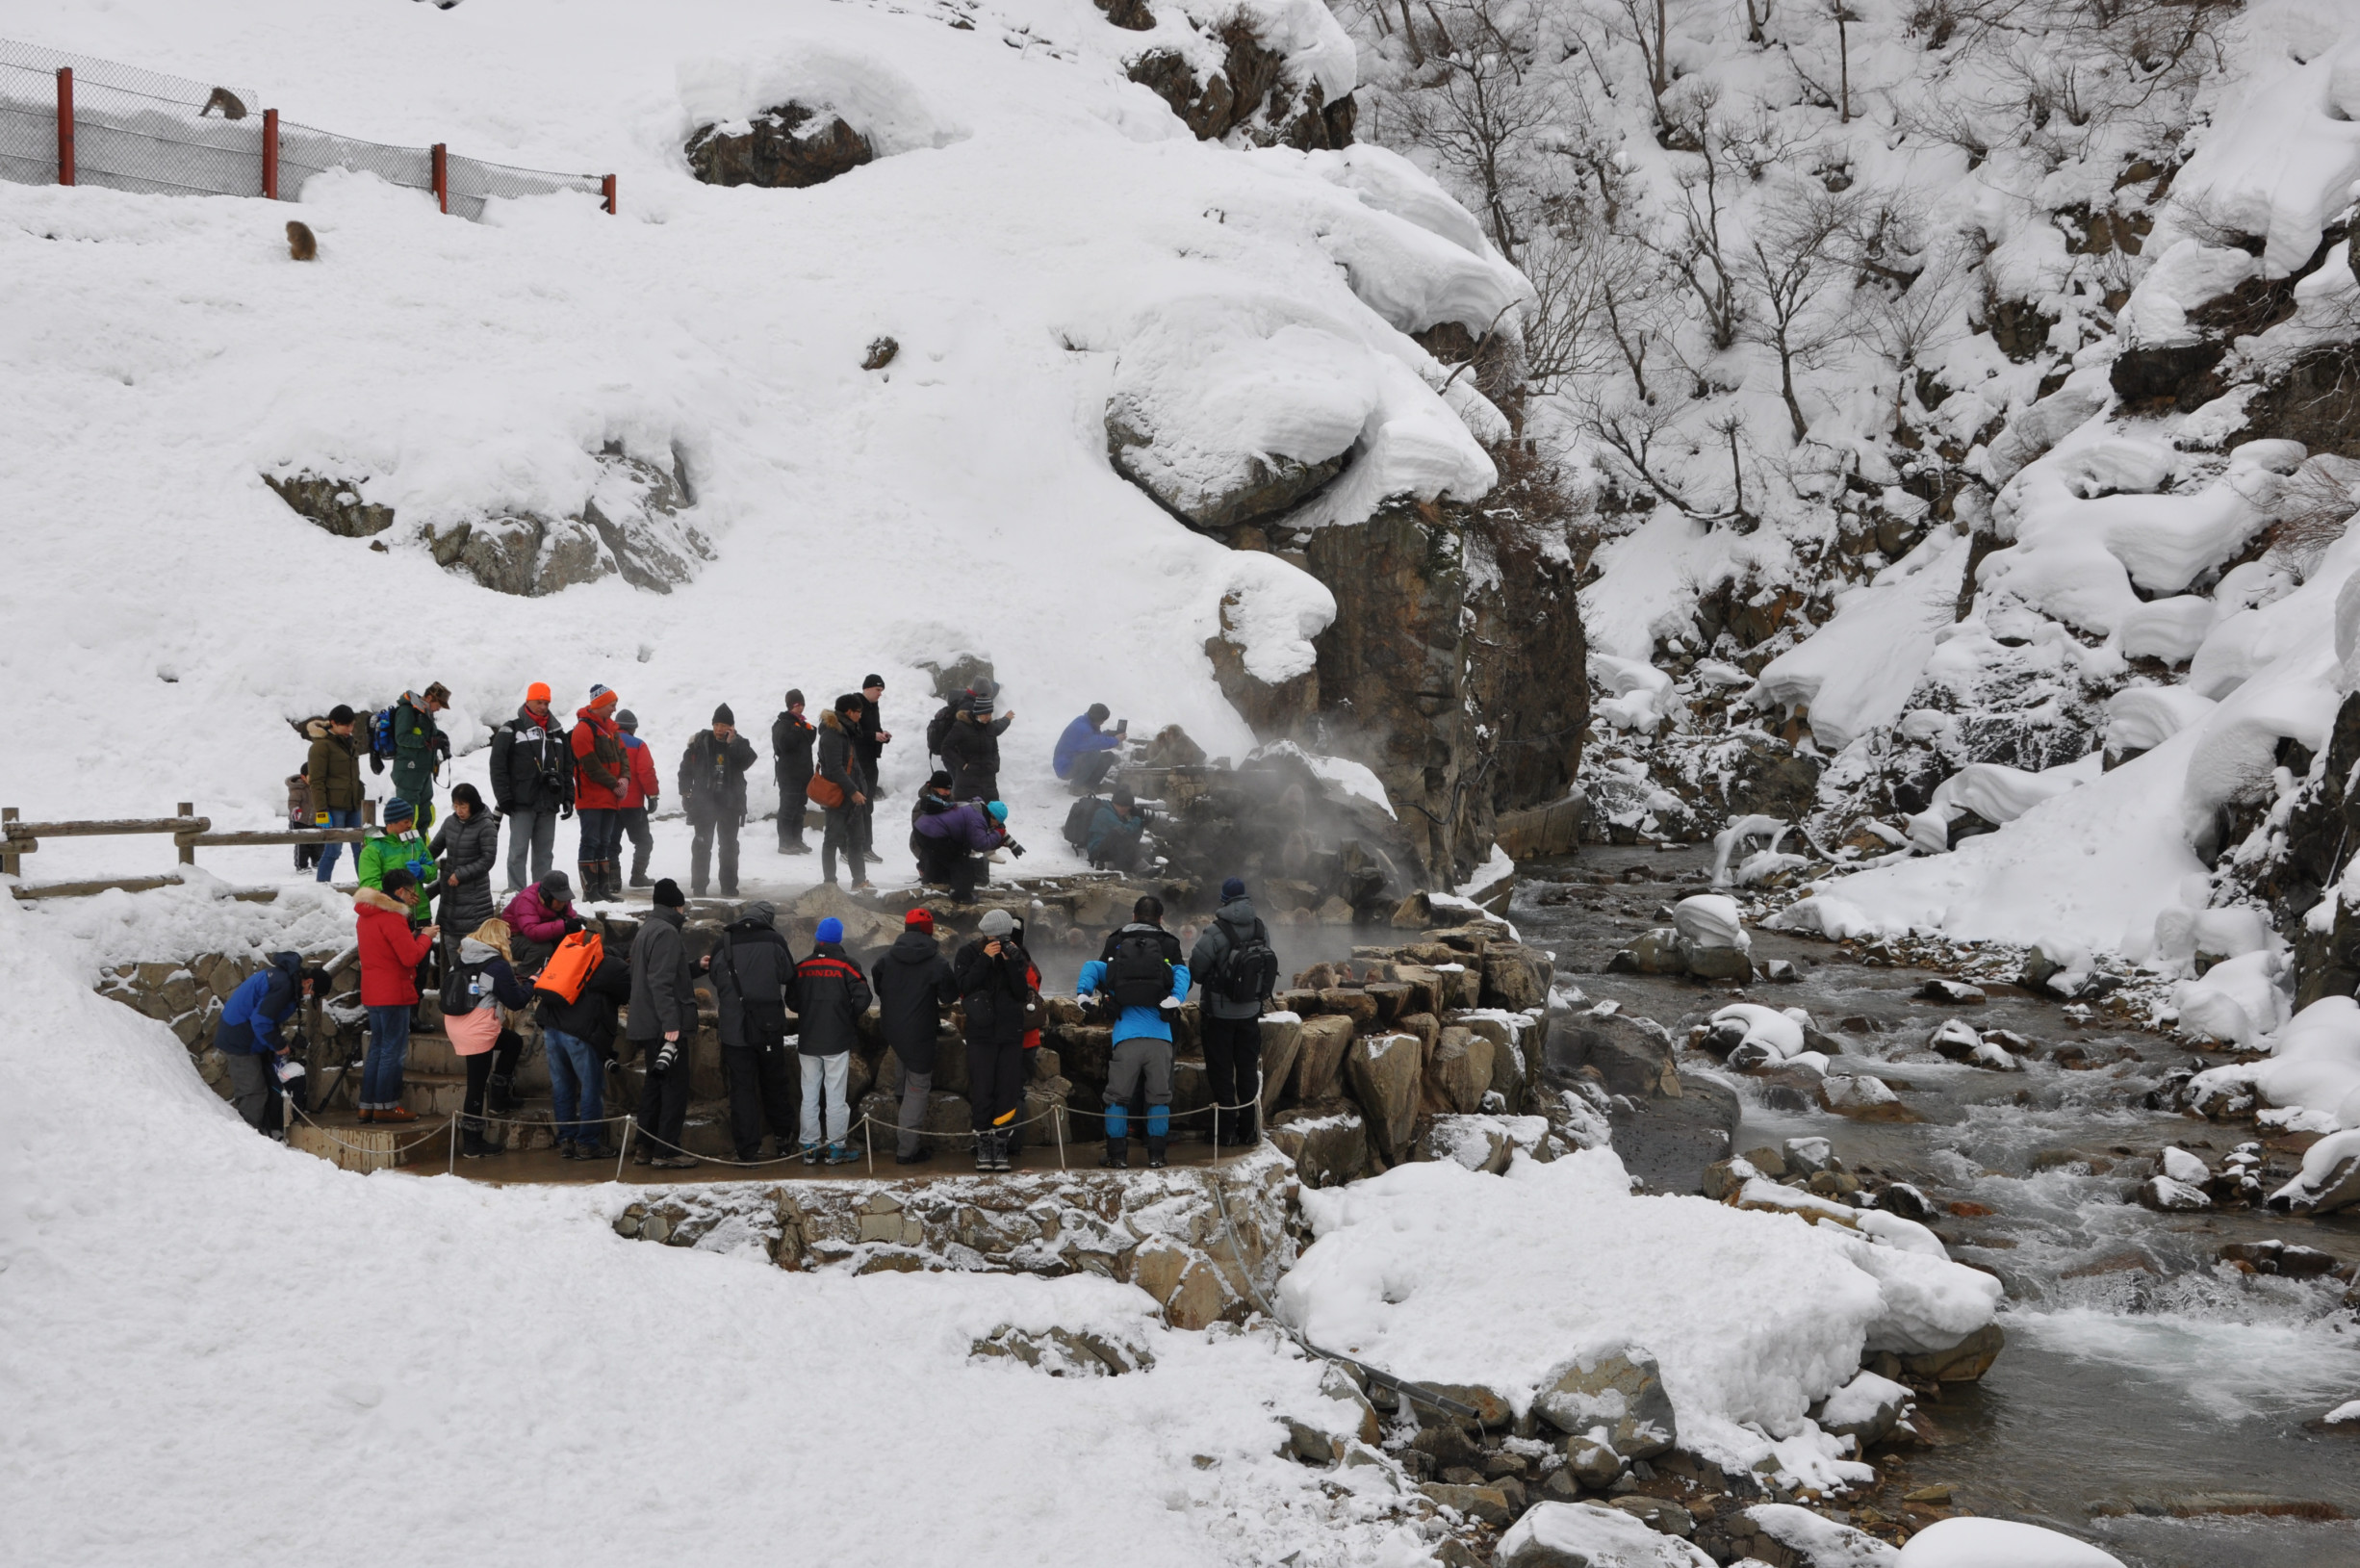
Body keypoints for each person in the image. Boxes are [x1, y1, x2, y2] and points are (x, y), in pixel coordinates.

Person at [1078, 899, 1190, 1169]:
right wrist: (1176, 998)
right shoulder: (1170, 943)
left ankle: (1117, 1156)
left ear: (1133, 914)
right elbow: (1183, 972)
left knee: (1117, 1098)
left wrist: (1084, 993)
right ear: (1160, 918)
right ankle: (1157, 1155)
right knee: (1159, 1098)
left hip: (1126, 1036)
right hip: (1161, 1036)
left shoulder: (1117, 940)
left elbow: (1094, 968)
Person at [706, 900, 798, 1162]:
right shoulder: (775, 941)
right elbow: (788, 974)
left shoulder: (722, 942)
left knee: (742, 1088)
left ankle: (747, 1149)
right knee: (775, 1081)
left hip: (735, 1030)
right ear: (768, 919)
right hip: (768, 1026)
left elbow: (714, 977)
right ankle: (782, 1139)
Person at [1190, 877, 1277, 1145]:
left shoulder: (1214, 932)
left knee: (1221, 1071)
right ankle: (1249, 1130)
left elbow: (1197, 970)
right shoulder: (1261, 928)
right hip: (1250, 1012)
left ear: (1224, 899)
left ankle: (1225, 1131)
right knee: (1248, 1070)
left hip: (1219, 1015)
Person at [953, 908, 1037, 1171]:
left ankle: (1001, 1142)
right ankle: (983, 1141)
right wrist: (985, 961)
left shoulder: (1016, 954)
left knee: (1008, 1090)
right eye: (995, 937)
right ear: (986, 934)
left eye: (1004, 936)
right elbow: (964, 986)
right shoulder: (968, 953)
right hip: (981, 1033)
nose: (999, 941)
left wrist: (1011, 962)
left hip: (1010, 1034)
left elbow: (1022, 992)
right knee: (983, 1088)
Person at [535, 933, 630, 1161]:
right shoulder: (614, 966)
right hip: (579, 1034)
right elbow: (627, 994)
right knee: (591, 1087)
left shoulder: (573, 957)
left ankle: (567, 1140)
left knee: (562, 1087)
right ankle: (587, 1143)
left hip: (552, 1029)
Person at [444, 918, 532, 1158]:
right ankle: (472, 1142)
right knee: (476, 1084)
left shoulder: (463, 956)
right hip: (476, 1027)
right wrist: (533, 984)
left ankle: (499, 1100)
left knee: (512, 1042)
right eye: (508, 936)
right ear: (499, 938)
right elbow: (516, 1001)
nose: (511, 941)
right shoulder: (496, 965)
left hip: (456, 1020)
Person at [627, 878, 700, 1169]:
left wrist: (695, 968)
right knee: (674, 1088)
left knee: (654, 1087)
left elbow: (653, 975)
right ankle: (667, 1151)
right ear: (676, 905)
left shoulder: (647, 929)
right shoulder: (668, 932)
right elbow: (660, 981)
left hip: (646, 1021)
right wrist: (672, 1023)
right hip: (664, 1025)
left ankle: (644, 1147)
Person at [355, 867, 438, 1123]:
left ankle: (367, 1104)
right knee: (393, 1051)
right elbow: (410, 956)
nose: (414, 896)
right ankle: (386, 1106)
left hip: (373, 991)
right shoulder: (391, 917)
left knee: (378, 1050)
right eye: (412, 891)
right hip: (393, 992)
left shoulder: (366, 915)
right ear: (400, 891)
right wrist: (425, 937)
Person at [873, 909, 956, 1165]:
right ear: (929, 932)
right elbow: (949, 996)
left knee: (903, 1064)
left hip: (892, 1027)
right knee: (918, 1087)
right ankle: (907, 1151)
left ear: (906, 928)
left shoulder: (886, 958)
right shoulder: (937, 962)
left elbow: (878, 983)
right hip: (920, 1031)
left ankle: (900, 1097)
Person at [790, 916, 872, 1164]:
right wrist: (846, 1015)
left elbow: (792, 1002)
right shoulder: (847, 965)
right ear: (839, 938)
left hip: (808, 1039)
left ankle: (809, 1147)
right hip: (837, 1039)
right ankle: (836, 1148)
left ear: (818, 938)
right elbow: (864, 997)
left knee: (810, 1094)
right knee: (836, 1095)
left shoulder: (802, 966)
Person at [214, 951, 320, 1132]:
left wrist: (274, 1044)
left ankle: (262, 1135)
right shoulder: (284, 985)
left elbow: (267, 1017)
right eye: (313, 993)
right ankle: (249, 1140)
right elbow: (261, 1020)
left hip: (247, 1036)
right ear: (309, 982)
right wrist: (278, 1044)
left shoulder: (285, 978)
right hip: (239, 1038)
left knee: (266, 1088)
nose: (308, 997)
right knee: (253, 1092)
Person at [490, 681, 571, 894]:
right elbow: (497, 765)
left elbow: (568, 768)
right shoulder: (512, 728)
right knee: (518, 851)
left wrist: (568, 797)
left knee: (545, 853)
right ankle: (516, 893)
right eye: (539, 702)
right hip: (521, 802)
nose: (543, 706)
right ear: (528, 700)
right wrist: (503, 796)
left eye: (546, 702)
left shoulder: (557, 732)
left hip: (549, 802)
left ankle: (542, 894)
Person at [680, 704, 757, 899]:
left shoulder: (739, 743)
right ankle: (699, 887)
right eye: (716, 724)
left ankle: (729, 886)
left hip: (730, 805)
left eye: (723, 725)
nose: (719, 729)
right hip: (704, 803)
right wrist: (685, 792)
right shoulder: (700, 742)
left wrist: (733, 743)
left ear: (731, 727)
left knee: (729, 846)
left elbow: (747, 761)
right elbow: (685, 770)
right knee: (701, 845)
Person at [429, 783, 500, 967]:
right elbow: (435, 848)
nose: (459, 810)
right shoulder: (450, 823)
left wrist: (461, 874)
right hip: (451, 897)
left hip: (474, 897)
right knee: (451, 943)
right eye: (456, 805)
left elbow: (488, 859)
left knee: (473, 945)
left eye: (463, 806)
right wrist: (420, 862)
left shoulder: (486, 825)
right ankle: (456, 983)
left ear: (473, 804)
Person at [570, 685, 628, 904]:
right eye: (612, 705)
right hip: (592, 798)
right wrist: (615, 783)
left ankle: (602, 889)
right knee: (591, 840)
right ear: (600, 705)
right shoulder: (583, 730)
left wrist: (625, 779)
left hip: (610, 798)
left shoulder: (611, 730)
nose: (615, 709)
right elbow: (590, 766)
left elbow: (623, 756)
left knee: (604, 841)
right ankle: (590, 891)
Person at [816, 695, 873, 890]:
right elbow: (834, 769)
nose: (860, 716)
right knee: (832, 839)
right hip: (838, 796)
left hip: (852, 796)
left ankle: (859, 881)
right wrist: (853, 791)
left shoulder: (847, 732)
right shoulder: (832, 734)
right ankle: (829, 884)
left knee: (856, 841)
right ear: (849, 712)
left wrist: (860, 789)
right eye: (858, 712)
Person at [307, 705, 366, 883]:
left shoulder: (349, 743)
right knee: (333, 850)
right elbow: (316, 781)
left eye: (352, 725)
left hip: (354, 804)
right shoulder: (321, 747)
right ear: (333, 723)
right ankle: (322, 888)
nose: (350, 729)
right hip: (334, 807)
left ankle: (367, 887)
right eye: (346, 725)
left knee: (362, 850)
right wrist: (322, 811)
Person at [914, 797, 1012, 904]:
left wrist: (996, 839)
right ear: (992, 816)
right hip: (933, 833)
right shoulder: (978, 819)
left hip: (921, 828)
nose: (996, 826)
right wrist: (998, 833)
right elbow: (980, 845)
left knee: (941, 857)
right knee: (961, 864)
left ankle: (932, 883)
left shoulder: (976, 807)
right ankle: (961, 896)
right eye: (997, 823)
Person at [386, 682, 452, 831]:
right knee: (407, 816)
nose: (439, 708)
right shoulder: (407, 710)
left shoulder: (425, 713)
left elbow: (425, 734)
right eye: (439, 704)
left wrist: (440, 739)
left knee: (425, 815)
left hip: (422, 770)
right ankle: (405, 851)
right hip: (408, 771)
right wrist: (428, 742)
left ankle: (421, 850)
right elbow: (401, 737)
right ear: (429, 697)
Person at [941, 686, 1014, 803]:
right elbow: (946, 748)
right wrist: (963, 764)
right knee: (968, 816)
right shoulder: (961, 727)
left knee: (991, 816)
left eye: (990, 714)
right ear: (977, 713)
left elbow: (995, 750)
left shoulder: (990, 727)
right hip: (967, 783)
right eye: (985, 714)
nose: (988, 717)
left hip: (989, 783)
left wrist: (995, 764)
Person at [500, 870, 582, 973]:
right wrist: (564, 925)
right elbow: (532, 931)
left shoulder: (562, 899)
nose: (564, 903)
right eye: (560, 900)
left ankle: (561, 973)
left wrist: (575, 925)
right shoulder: (526, 899)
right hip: (513, 939)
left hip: (542, 932)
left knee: (569, 940)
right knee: (542, 948)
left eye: (565, 899)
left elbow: (570, 917)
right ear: (546, 896)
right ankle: (523, 978)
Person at [617, 709, 661, 888]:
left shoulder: (605, 742)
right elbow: (646, 772)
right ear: (633, 728)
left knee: (611, 843)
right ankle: (638, 876)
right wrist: (652, 795)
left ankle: (612, 880)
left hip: (611, 803)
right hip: (633, 805)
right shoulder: (638, 744)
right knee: (643, 841)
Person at [772, 690, 816, 854]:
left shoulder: (801, 724)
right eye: (797, 705)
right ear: (790, 705)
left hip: (803, 773)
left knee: (799, 808)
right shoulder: (782, 723)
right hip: (789, 774)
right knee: (788, 808)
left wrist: (806, 729)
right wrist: (798, 730)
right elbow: (782, 745)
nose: (800, 708)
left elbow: (810, 739)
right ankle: (785, 842)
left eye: (802, 704)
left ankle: (797, 840)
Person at [1054, 705, 1127, 792]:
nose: (1103, 722)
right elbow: (1096, 743)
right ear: (1097, 718)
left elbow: (1093, 739)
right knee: (1094, 754)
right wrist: (1116, 739)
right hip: (1066, 767)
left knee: (1109, 756)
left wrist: (1109, 734)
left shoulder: (1086, 722)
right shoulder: (1081, 728)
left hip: (1074, 760)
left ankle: (1088, 787)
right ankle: (1076, 787)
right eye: (1102, 720)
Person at [1087, 785, 1149, 872]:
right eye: (1125, 809)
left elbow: (1133, 839)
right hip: (1097, 852)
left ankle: (1105, 866)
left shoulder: (1118, 815)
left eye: (1128, 810)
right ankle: (1142, 867)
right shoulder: (1103, 813)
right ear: (1118, 804)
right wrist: (1137, 819)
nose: (1126, 812)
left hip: (1109, 851)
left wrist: (1141, 825)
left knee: (1136, 852)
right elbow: (1123, 831)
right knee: (1119, 832)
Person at [849, 674, 891, 800]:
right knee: (859, 801)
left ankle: (867, 820)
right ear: (867, 688)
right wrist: (873, 736)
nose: (880, 694)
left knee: (869, 800)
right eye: (878, 690)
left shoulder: (874, 706)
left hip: (871, 760)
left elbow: (873, 729)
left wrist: (883, 735)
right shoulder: (855, 703)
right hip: (857, 761)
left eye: (882, 691)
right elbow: (851, 731)